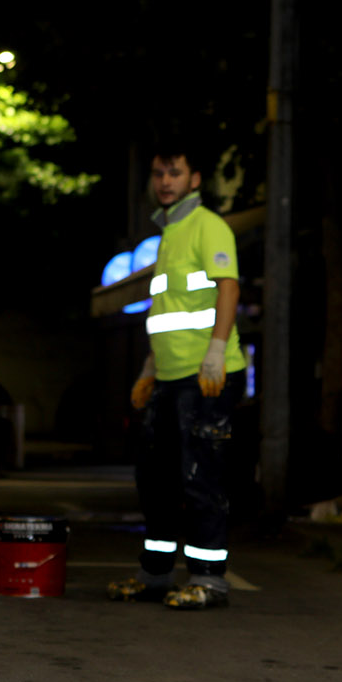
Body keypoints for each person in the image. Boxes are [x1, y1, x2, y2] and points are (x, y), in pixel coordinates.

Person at [107, 145, 245, 610]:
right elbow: (168, 311)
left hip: (205, 376)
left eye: (175, 172)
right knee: (156, 479)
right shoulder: (169, 234)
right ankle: (155, 575)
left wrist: (216, 351)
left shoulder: (208, 226)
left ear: (195, 178)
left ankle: (210, 580)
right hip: (170, 376)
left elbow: (229, 286)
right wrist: (150, 368)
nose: (165, 180)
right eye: (158, 172)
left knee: (199, 477)